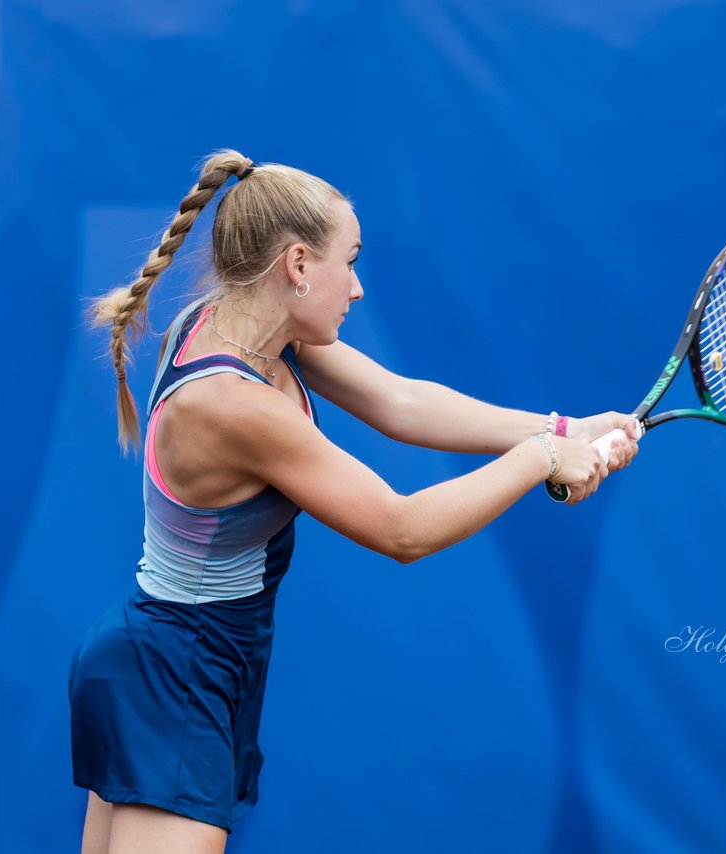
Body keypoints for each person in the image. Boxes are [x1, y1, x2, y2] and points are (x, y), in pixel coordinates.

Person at [67, 149, 640, 854]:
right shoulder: (232, 405)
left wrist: (562, 429)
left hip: (168, 663)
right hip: (176, 676)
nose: (358, 288)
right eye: (351, 260)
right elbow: (402, 529)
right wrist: (542, 459)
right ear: (299, 265)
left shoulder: (244, 325)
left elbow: (401, 402)